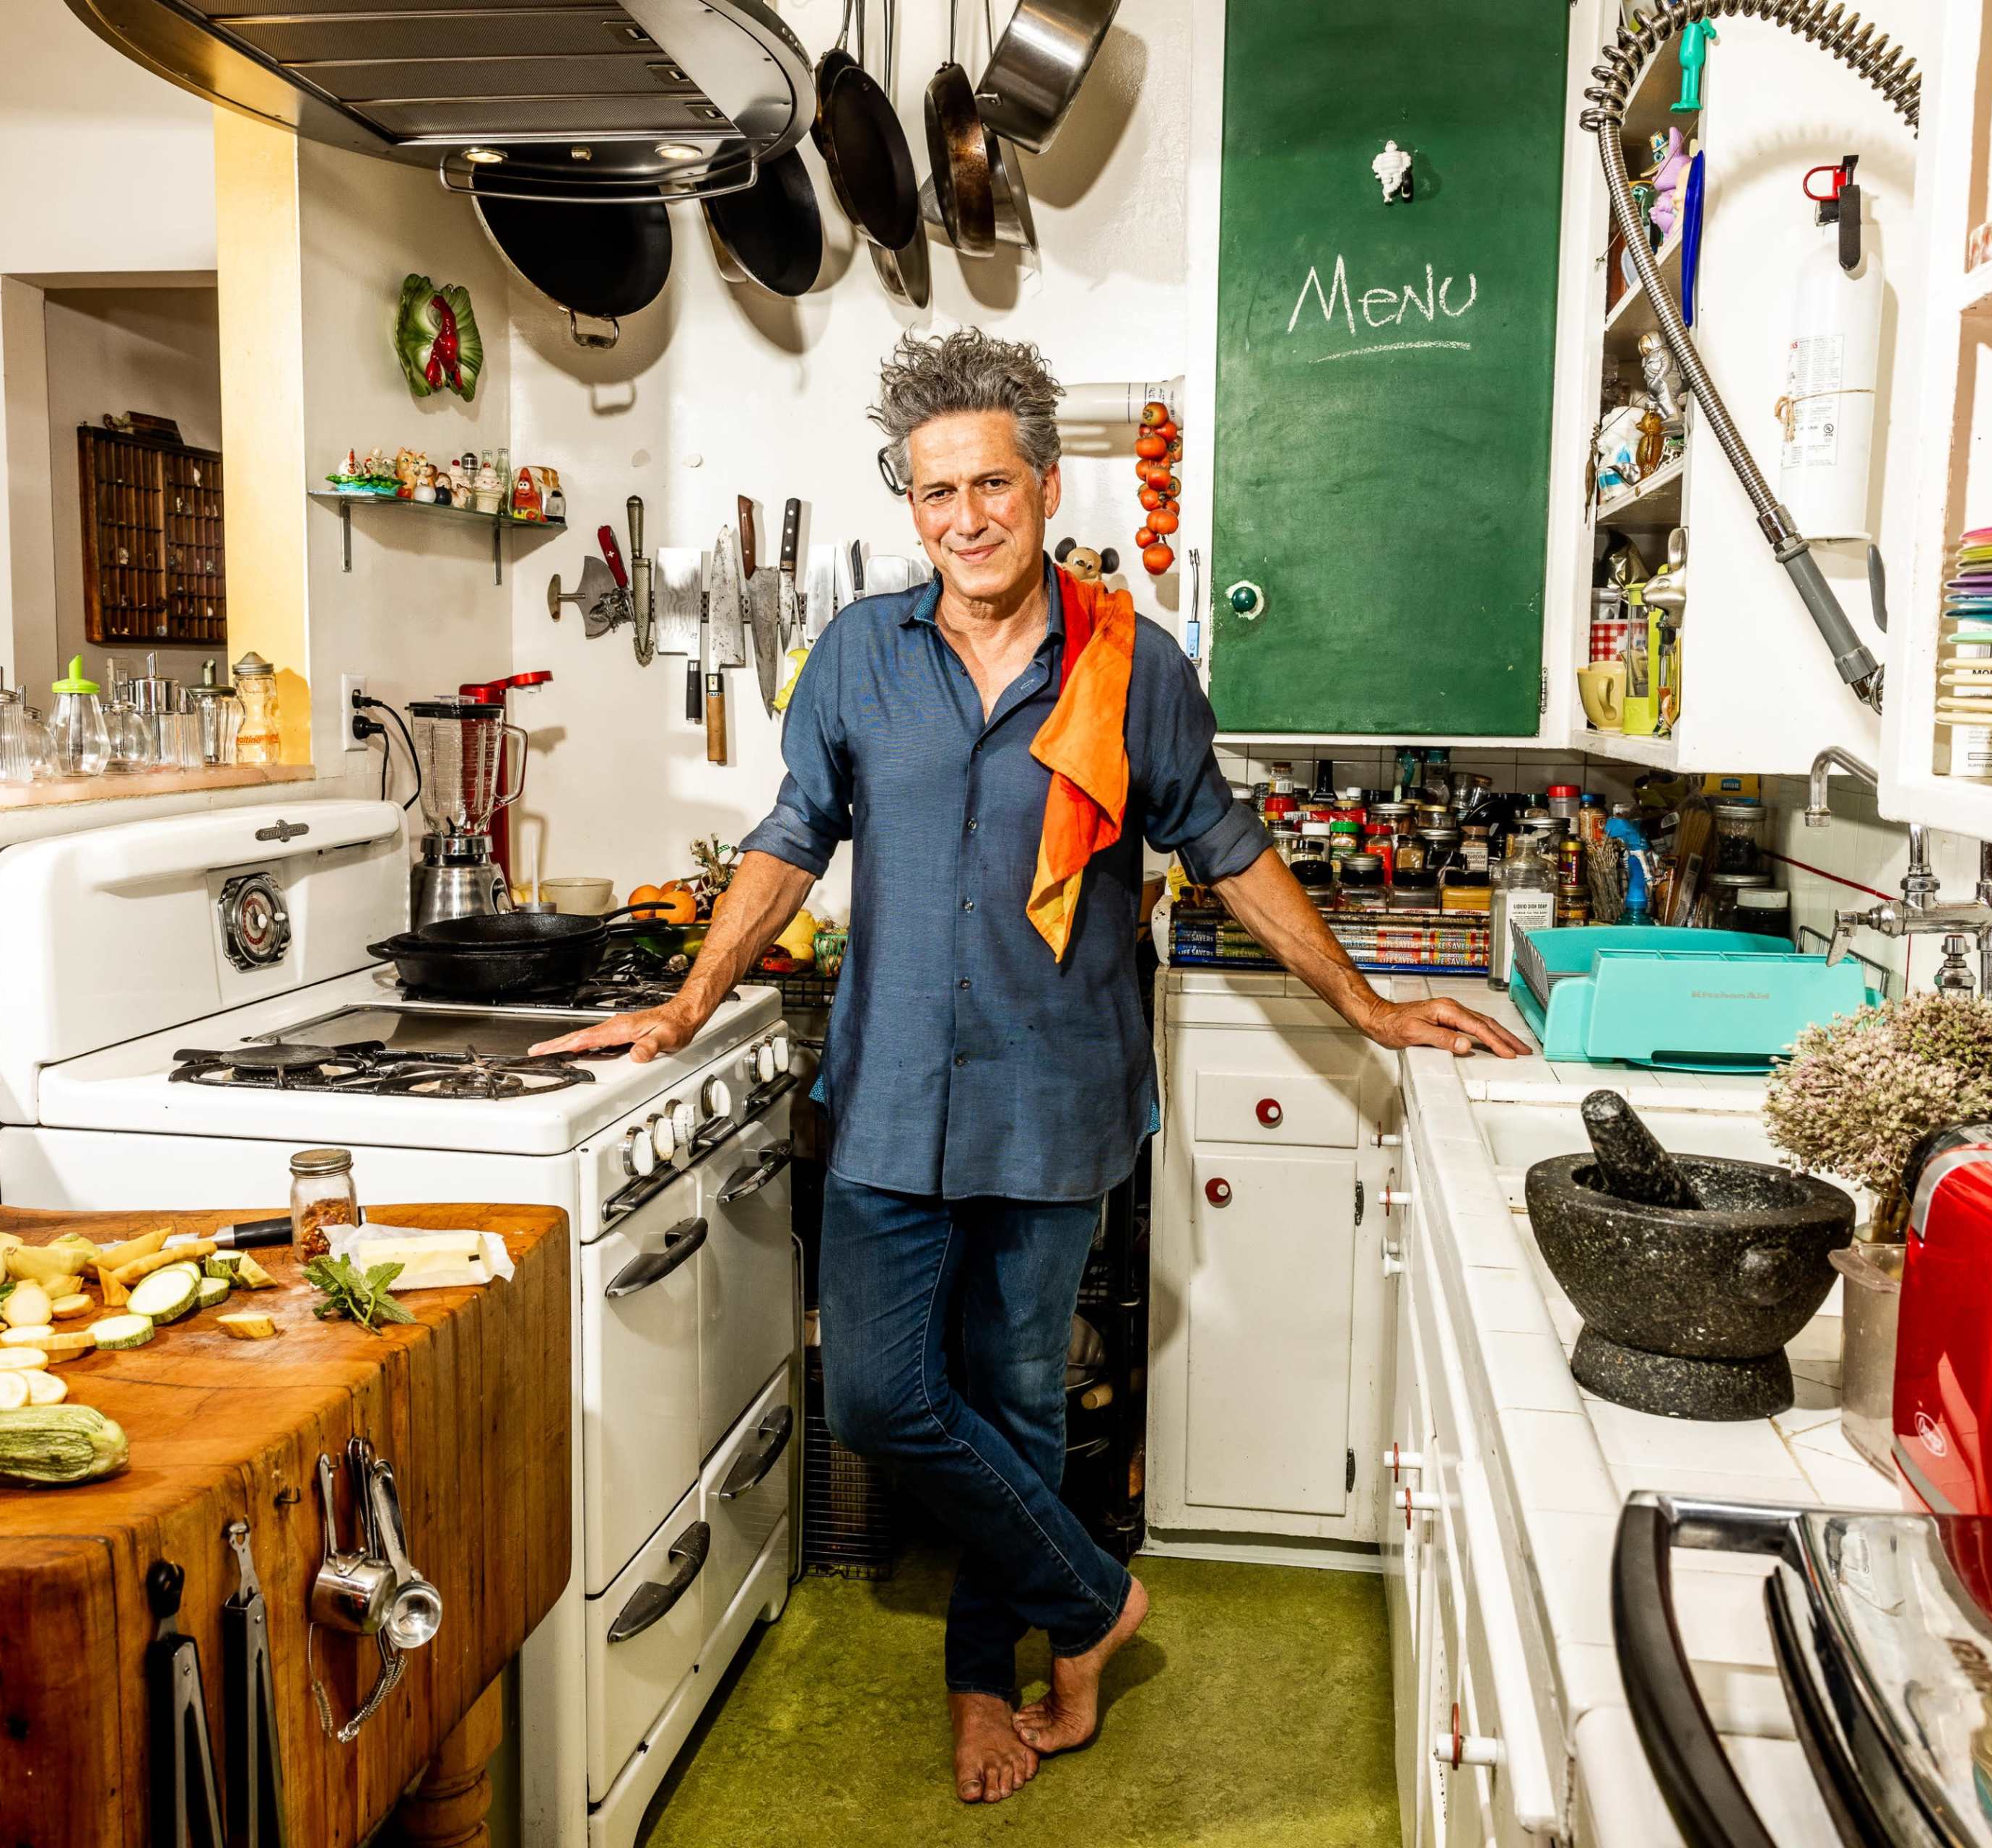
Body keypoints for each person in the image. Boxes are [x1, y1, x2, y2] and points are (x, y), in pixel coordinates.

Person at [538, 330, 1529, 1804]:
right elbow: (788, 842)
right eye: (935, 491)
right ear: (912, 502)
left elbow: (1233, 852)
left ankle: (983, 1677)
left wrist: (1371, 1004)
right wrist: (680, 1009)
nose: (965, 516)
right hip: (888, 1097)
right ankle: (1094, 1596)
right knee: (878, 1397)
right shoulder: (860, 656)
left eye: (990, 483)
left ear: (1045, 485)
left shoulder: (1134, 663)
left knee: (1012, 1400)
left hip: (1059, 1102)